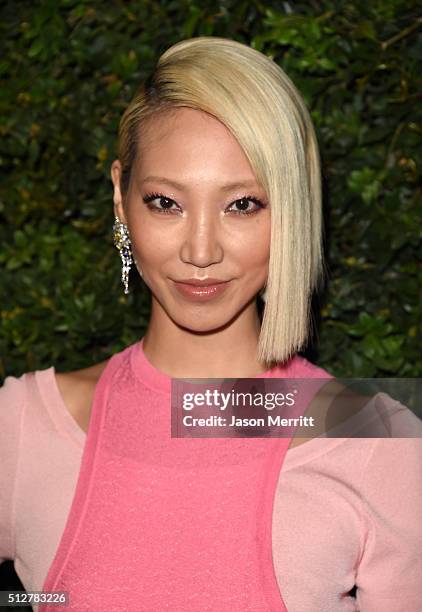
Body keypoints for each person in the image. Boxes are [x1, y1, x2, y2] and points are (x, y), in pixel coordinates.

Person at [1, 36, 421, 612]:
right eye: (166, 203)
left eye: (242, 204)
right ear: (121, 199)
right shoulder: (23, 428)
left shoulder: (379, 444)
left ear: (291, 210)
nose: (201, 249)